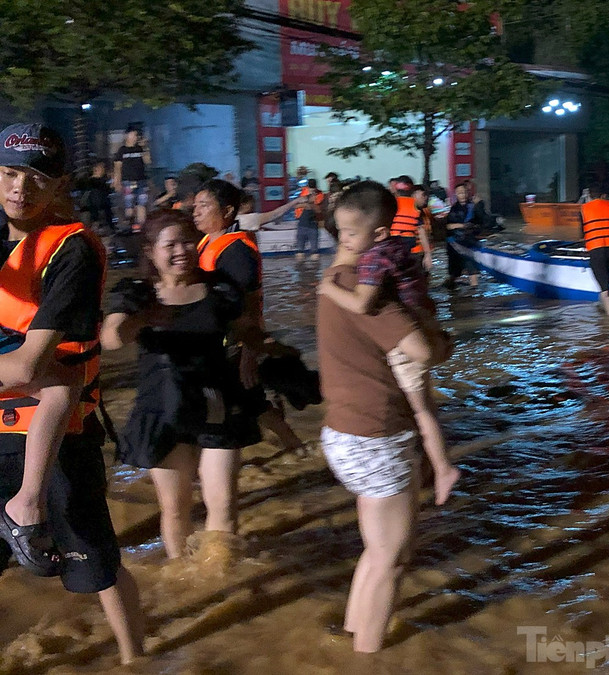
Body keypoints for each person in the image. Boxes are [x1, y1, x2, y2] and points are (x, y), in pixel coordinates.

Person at [0, 122, 144, 664]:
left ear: (59, 184)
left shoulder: (72, 250)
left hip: (56, 437)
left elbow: (32, 365)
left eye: (36, 177)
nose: (20, 188)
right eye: (10, 174)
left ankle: (137, 658)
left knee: (97, 565)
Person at [318, 216, 453, 653]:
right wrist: (442, 341)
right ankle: (368, 657)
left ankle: (352, 632)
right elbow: (423, 351)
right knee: (392, 561)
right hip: (375, 439)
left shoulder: (335, 280)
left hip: (344, 433)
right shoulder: (371, 293)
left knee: (377, 552)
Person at [101, 211, 261, 558]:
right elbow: (111, 338)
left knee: (224, 504)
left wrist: (256, 353)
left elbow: (249, 329)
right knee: (176, 508)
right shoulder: (138, 293)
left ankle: (219, 576)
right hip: (163, 408)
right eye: (170, 244)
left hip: (217, 404)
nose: (181, 251)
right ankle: (181, 572)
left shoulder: (220, 288)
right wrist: (144, 318)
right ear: (150, 251)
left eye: (188, 241)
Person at [318, 181, 460, 505]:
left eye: (350, 233)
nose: (344, 238)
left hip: (367, 429)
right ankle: (439, 466)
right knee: (425, 408)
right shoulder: (395, 247)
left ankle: (443, 468)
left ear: (378, 233)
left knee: (422, 411)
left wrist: (328, 288)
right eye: (342, 231)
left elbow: (362, 304)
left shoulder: (366, 265)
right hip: (422, 321)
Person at [193, 179, 307, 454]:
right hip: (214, 342)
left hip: (232, 344)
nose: (195, 211)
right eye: (195, 205)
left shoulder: (237, 252)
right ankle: (295, 446)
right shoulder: (208, 241)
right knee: (248, 400)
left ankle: (293, 446)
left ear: (227, 211)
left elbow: (250, 307)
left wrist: (248, 354)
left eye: (203, 205)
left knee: (239, 400)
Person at [580, 186, 609, 316]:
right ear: (603, 195)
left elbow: (581, 233)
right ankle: (601, 305)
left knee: (605, 288)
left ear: (589, 195)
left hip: (596, 249)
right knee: (605, 281)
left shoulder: (584, 209)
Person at [444, 182, 484, 290]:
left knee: (472, 268)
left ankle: (474, 292)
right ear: (456, 195)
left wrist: (480, 205)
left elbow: (482, 221)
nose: (463, 195)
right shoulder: (454, 209)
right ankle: (451, 284)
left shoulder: (473, 206)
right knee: (455, 272)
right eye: (460, 193)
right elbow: (448, 226)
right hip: (454, 244)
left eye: (464, 192)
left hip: (469, 243)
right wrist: (462, 226)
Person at [390, 178, 433, 271]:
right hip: (410, 248)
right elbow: (422, 231)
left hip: (397, 248)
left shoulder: (390, 205)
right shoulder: (415, 206)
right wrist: (428, 254)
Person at [113, 125, 151, 228]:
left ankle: (141, 226)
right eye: (133, 135)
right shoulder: (122, 150)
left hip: (141, 180)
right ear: (127, 135)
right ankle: (130, 225)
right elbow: (117, 167)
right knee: (129, 204)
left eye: (136, 135)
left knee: (141, 203)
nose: (135, 137)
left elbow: (147, 161)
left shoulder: (140, 148)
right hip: (127, 181)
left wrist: (145, 147)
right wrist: (117, 182)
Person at [235, 191, 306, 235]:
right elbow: (275, 214)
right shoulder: (248, 219)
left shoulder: (233, 217)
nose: (254, 206)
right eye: (252, 203)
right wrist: (295, 202)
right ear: (245, 205)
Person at [294, 179, 325, 260]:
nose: (312, 191)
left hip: (310, 226)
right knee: (301, 251)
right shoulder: (315, 194)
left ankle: (308, 264)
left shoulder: (318, 195)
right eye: (311, 189)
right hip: (304, 225)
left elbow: (318, 210)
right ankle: (308, 265)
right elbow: (296, 205)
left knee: (313, 252)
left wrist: (307, 204)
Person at [80, 160, 115, 231]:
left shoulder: (102, 180)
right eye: (102, 168)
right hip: (95, 204)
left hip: (100, 205)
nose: (103, 170)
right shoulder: (92, 181)